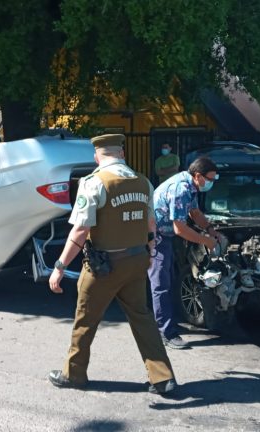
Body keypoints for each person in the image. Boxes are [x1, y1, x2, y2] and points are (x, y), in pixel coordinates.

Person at [46, 133, 177, 395]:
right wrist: (149, 252)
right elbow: (151, 225)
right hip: (137, 260)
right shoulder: (143, 182)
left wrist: (60, 266)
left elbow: (81, 231)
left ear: (97, 156)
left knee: (85, 320)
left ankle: (74, 374)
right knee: (142, 317)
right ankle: (162, 378)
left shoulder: (93, 182)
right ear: (122, 154)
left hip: (104, 266)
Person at [150, 156, 223, 349]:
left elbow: (194, 213)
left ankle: (164, 323)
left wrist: (210, 229)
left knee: (168, 279)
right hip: (155, 237)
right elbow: (180, 229)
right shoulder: (180, 189)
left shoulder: (190, 185)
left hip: (164, 235)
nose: (211, 183)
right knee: (161, 284)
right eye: (210, 179)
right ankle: (166, 332)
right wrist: (206, 241)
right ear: (198, 175)